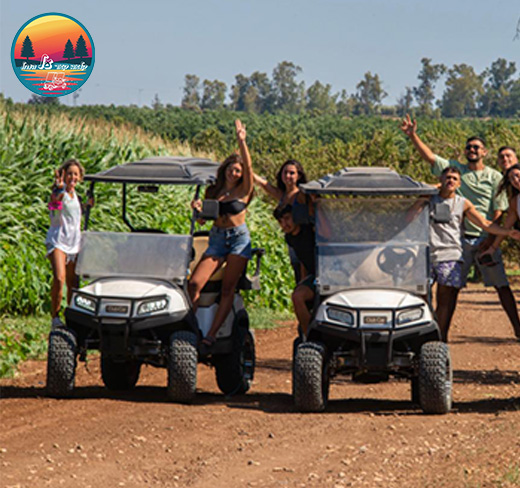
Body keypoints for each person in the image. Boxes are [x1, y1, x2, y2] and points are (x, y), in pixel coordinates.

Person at [400, 114, 520, 338]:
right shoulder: (455, 170)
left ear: (484, 152)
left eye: (476, 147)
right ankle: (441, 335)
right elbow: (431, 158)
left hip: (486, 238)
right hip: (458, 240)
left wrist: (492, 240)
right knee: (450, 290)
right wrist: (413, 136)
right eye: (469, 147)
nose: (472, 150)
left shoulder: (494, 176)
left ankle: (518, 329)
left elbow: (497, 210)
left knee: (501, 285)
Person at [429, 167, 520, 341]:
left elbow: (485, 223)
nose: (450, 181)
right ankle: (426, 333)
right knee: (422, 296)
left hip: (450, 255)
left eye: (454, 179)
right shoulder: (427, 199)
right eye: (447, 177)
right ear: (441, 179)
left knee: (445, 297)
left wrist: (507, 232)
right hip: (427, 255)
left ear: (459, 184)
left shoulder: (462, 203)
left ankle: (440, 339)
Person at [189, 119, 254, 353]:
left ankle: (212, 335)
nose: (234, 173)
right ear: (225, 168)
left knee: (228, 288)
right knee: (194, 283)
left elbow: (249, 166)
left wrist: (242, 141)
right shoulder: (213, 191)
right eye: (231, 169)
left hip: (238, 239)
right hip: (217, 239)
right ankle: (191, 328)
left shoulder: (243, 190)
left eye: (238, 171)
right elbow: (202, 221)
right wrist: (197, 210)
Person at [46, 159, 93, 329]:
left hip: (74, 243)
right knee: (60, 278)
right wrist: (58, 188)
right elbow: (55, 203)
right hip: (58, 240)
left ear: (79, 177)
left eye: (75, 174)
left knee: (73, 283)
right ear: (64, 175)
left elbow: (75, 214)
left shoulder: (76, 197)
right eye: (69, 174)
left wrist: (87, 205)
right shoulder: (61, 193)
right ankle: (55, 317)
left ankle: (73, 317)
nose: (72, 177)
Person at [254, 160, 311, 282]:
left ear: (299, 176)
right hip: (292, 241)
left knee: (305, 275)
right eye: (285, 173)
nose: (288, 176)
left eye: (292, 173)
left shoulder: (301, 195)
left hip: (305, 242)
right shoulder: (283, 195)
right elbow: (263, 184)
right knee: (296, 273)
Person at [482, 163, 520, 339]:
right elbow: (506, 228)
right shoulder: (515, 202)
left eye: (518, 175)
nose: (516, 180)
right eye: (511, 179)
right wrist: (492, 248)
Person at [273, 204, 316, 337]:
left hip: (331, 274)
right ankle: (309, 336)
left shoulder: (310, 231)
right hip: (314, 277)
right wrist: (302, 282)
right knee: (297, 296)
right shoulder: (290, 238)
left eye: (287, 219)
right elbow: (303, 259)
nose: (284, 224)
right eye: (280, 222)